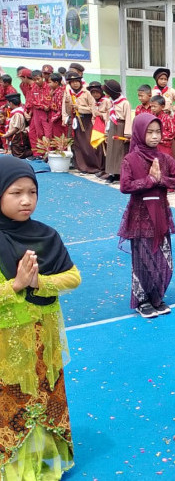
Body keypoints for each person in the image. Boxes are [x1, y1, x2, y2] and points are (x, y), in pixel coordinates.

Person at [0, 156, 81, 480]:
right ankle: (18, 467)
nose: (26, 200)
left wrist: (40, 282)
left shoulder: (46, 235)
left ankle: (46, 460)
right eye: (15, 192)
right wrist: (16, 285)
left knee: (46, 399)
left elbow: (73, 277)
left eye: (32, 192)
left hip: (42, 340)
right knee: (13, 402)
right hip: (8, 345)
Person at [117, 113, 175, 318]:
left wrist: (161, 180)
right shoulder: (130, 159)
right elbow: (125, 186)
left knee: (164, 260)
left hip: (161, 215)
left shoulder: (164, 158)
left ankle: (157, 297)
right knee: (142, 260)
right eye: (150, 132)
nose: (155, 136)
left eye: (158, 132)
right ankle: (142, 300)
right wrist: (149, 180)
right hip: (139, 217)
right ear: (140, 133)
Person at [63, 71, 99, 174]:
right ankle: (81, 166)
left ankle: (93, 166)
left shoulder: (86, 92)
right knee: (78, 144)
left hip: (87, 120)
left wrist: (80, 108)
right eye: (72, 82)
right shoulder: (69, 93)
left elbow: (93, 108)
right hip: (76, 121)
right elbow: (66, 109)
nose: (75, 84)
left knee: (88, 144)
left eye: (76, 81)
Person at [103, 80, 133, 184]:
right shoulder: (111, 102)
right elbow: (108, 116)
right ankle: (111, 173)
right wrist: (106, 131)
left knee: (120, 151)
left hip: (121, 127)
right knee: (111, 151)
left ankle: (121, 174)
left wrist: (127, 134)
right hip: (112, 126)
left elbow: (128, 118)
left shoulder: (125, 102)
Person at [87, 81, 111, 175]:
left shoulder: (106, 101)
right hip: (97, 128)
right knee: (99, 149)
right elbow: (93, 116)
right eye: (93, 93)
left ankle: (108, 168)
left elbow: (110, 114)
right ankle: (101, 167)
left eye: (97, 92)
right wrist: (95, 122)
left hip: (105, 127)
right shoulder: (94, 102)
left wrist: (101, 115)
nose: (95, 94)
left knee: (107, 148)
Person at [2, 93, 31, 158]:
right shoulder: (17, 112)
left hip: (18, 136)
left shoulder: (17, 114)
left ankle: (34, 153)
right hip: (15, 136)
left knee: (18, 154)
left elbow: (16, 128)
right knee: (14, 151)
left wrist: (8, 134)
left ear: (11, 103)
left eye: (8, 103)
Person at [48, 73, 66, 139]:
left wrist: (53, 119)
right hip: (54, 116)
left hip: (58, 119)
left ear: (56, 83)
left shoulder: (60, 93)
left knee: (59, 138)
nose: (48, 84)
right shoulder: (53, 92)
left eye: (50, 82)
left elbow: (61, 109)